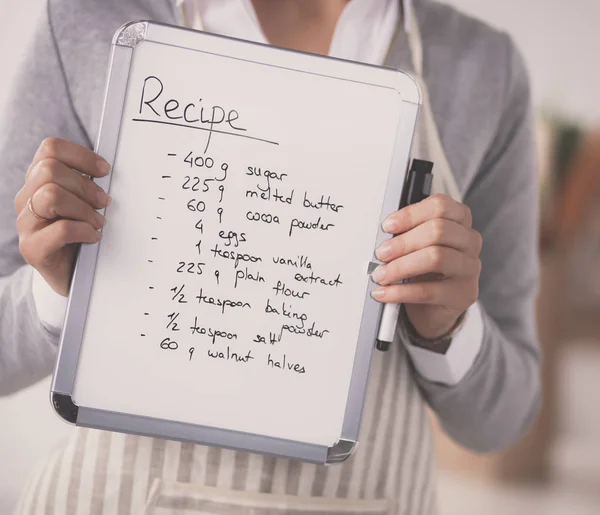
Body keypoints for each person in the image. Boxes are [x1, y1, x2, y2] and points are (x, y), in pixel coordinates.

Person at [0, 0, 540, 513]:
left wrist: (449, 329)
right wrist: (59, 288)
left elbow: (503, 421)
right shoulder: (88, 22)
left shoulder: (484, 68)